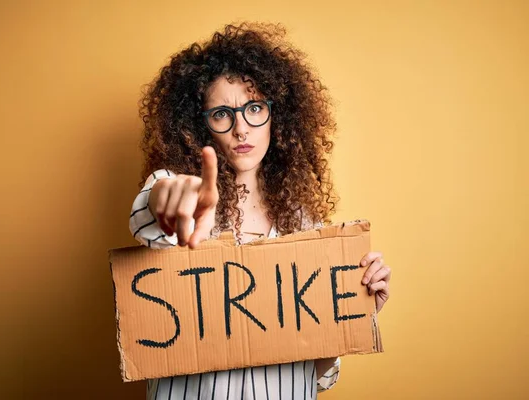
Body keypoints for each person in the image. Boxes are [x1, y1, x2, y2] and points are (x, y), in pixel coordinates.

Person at [129, 22, 391, 400]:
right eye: (221, 113)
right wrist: (167, 201)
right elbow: (152, 215)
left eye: (254, 108)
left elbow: (314, 367)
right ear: (198, 126)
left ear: (276, 117)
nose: (241, 129)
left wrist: (356, 308)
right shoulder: (178, 188)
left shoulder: (305, 224)